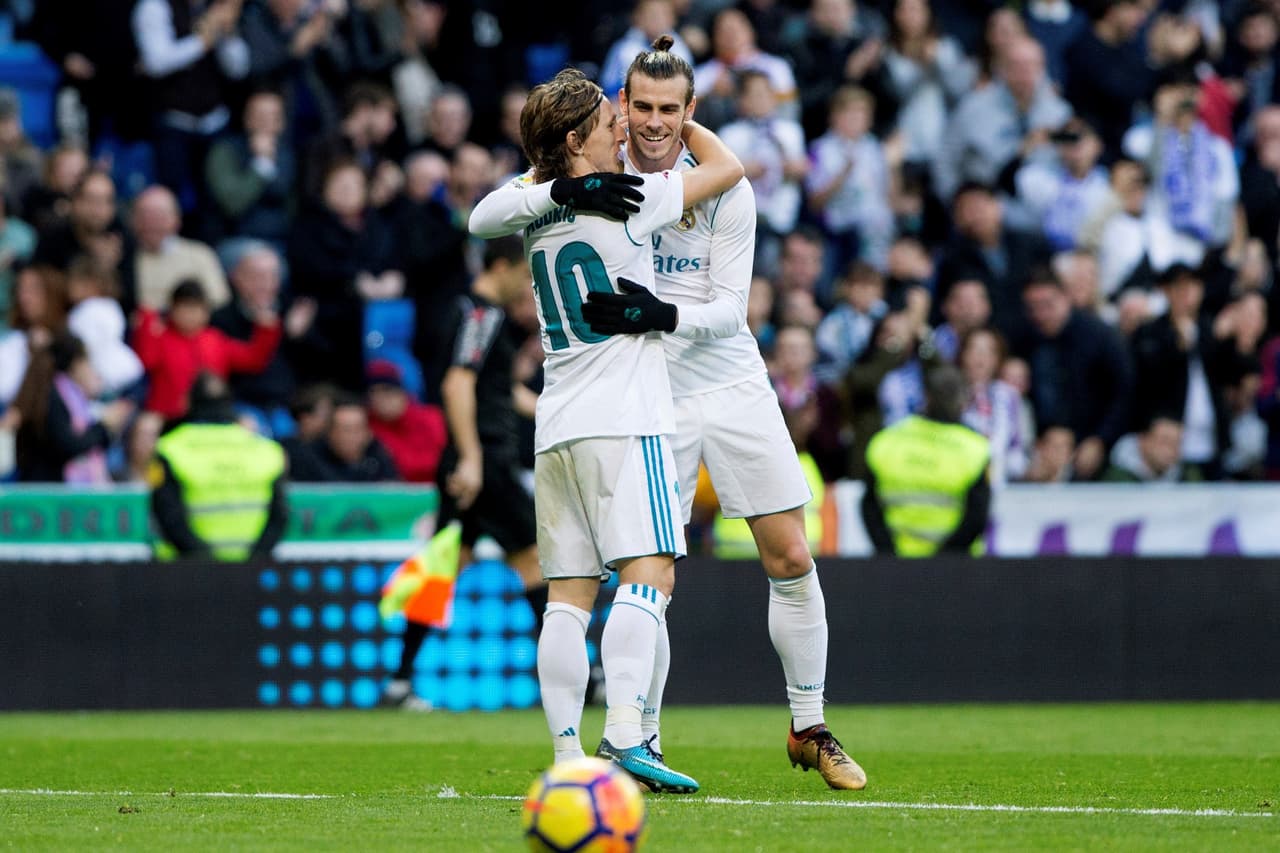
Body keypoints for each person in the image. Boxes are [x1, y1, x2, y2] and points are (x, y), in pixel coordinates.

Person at [471, 39, 866, 791]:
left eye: (668, 111)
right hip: (647, 396)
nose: (652, 123)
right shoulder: (590, 174)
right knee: (651, 578)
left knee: (788, 554)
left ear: (691, 113)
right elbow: (495, 204)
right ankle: (637, 735)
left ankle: (809, 724)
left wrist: (658, 314)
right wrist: (562, 194)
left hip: (723, 378)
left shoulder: (718, 190)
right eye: (640, 108)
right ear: (620, 107)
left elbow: (727, 310)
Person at [469, 61, 743, 791]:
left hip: (557, 425)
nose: (626, 124)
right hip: (627, 418)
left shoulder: (532, 205)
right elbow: (729, 166)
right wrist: (681, 121)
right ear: (575, 137)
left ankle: (567, 755)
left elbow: (480, 216)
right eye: (609, 120)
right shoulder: (635, 197)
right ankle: (626, 729)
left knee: (568, 594)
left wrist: (559, 184)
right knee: (651, 572)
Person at [381, 237, 543, 710]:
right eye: (525, 273)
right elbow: (458, 383)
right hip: (485, 462)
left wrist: (553, 411)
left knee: (444, 566)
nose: (527, 285)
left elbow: (499, 390)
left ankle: (399, 681)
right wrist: (471, 457)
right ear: (502, 266)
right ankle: (585, 681)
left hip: (476, 459)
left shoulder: (482, 317)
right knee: (534, 560)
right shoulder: (481, 314)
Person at [151, 372, 288, 561]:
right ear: (230, 404)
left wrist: (208, 564)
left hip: (186, 574)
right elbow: (280, 516)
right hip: (248, 572)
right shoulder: (267, 450)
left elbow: (167, 515)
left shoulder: (169, 449)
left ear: (187, 402)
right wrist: (253, 560)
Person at [861, 363, 991, 556]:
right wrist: (944, 559)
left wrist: (889, 553)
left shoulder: (887, 442)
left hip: (896, 566)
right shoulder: (975, 448)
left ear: (925, 396)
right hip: (956, 570)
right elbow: (976, 517)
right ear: (963, 399)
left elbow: (870, 508)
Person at [132, 279, 281, 422]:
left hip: (214, 415)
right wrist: (147, 319)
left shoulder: (215, 340)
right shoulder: (161, 338)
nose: (190, 315)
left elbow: (252, 360)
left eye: (196, 308)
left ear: (206, 312)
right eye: (185, 308)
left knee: (251, 422)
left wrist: (265, 330)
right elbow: (146, 361)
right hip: (168, 417)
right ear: (172, 309)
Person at [12, 332, 132, 483]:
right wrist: (104, 427)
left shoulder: (68, 395)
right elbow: (68, 444)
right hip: (46, 491)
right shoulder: (53, 396)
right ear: (76, 364)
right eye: (86, 361)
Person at [289, 393, 400, 482]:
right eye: (346, 430)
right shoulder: (309, 459)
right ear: (330, 433)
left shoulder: (378, 457)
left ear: (368, 434)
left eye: (357, 429)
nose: (351, 437)